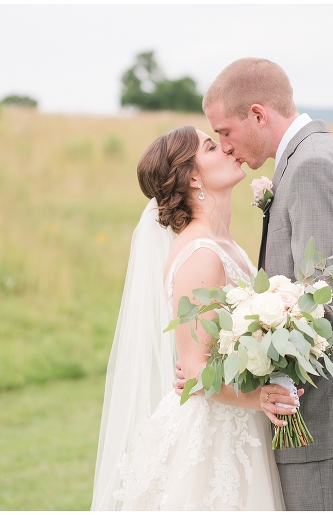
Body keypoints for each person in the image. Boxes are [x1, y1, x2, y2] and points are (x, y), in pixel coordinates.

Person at [176, 57, 333, 511]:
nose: (225, 146)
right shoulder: (324, 154)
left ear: (258, 115)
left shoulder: (311, 167)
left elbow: (322, 299)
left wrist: (231, 367)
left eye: (224, 132)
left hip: (325, 416)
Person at [91, 126, 296, 510]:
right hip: (212, 433)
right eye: (211, 146)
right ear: (193, 177)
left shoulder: (226, 246)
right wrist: (259, 399)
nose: (228, 149)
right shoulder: (201, 253)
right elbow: (195, 372)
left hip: (236, 419)